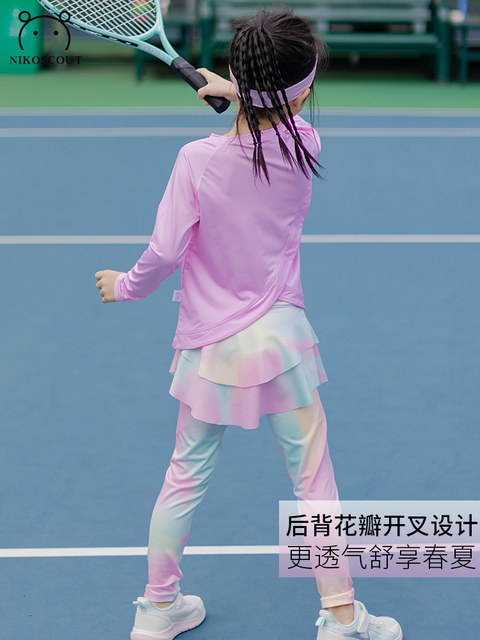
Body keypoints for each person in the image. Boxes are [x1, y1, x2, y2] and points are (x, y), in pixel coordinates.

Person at [94, 9, 403, 640]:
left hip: (210, 349)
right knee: (314, 479)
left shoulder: (196, 160)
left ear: (237, 73)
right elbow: (276, 112)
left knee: (184, 476)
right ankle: (341, 616)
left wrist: (124, 287)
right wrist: (241, 92)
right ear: (302, 95)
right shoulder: (306, 147)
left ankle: (157, 608)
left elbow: (163, 253)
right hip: (281, 344)